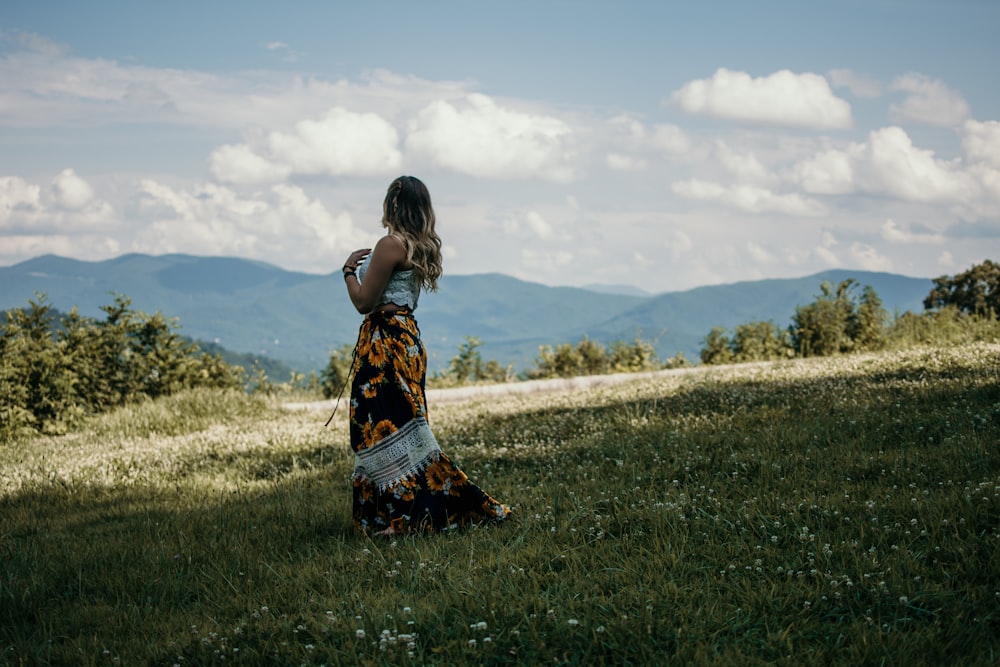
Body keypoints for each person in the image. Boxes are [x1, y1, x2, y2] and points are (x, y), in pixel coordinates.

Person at [340, 175, 512, 536]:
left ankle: (406, 517)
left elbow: (363, 302)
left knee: (378, 427)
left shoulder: (390, 244)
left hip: (384, 343)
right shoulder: (420, 245)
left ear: (391, 204)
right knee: (406, 426)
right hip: (408, 340)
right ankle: (406, 513)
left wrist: (348, 273)